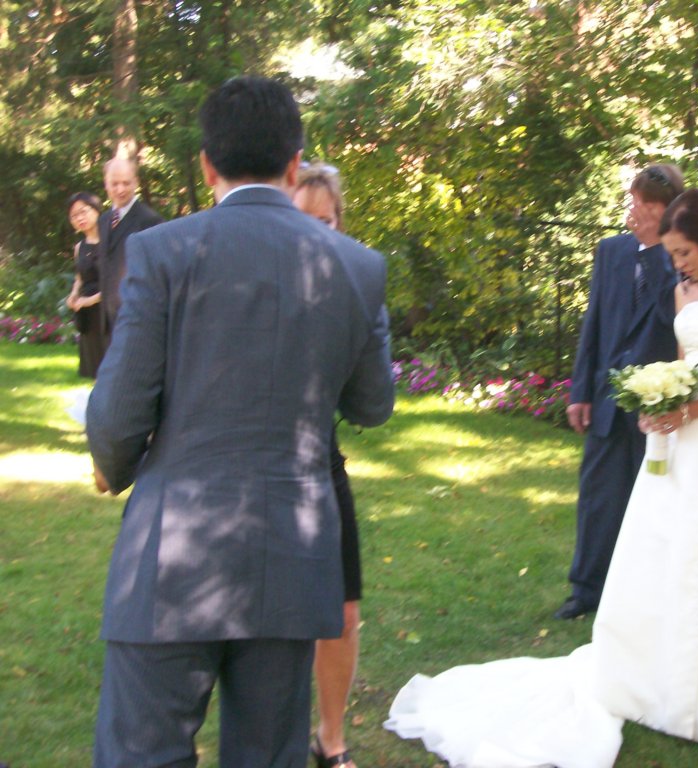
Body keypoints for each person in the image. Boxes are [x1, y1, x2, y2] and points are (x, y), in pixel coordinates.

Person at [385, 189, 698, 764]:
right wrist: (662, 402)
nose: (678, 264)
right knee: (667, 545)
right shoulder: (682, 291)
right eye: (672, 254)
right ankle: (657, 675)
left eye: (684, 252)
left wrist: (690, 410)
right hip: (682, 436)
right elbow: (684, 366)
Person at [87, 75, 394, 767]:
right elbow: (372, 405)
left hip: (170, 548)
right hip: (292, 550)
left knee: (142, 754)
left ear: (206, 164)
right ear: (295, 163)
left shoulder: (161, 251)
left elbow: (116, 413)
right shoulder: (357, 266)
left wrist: (118, 468)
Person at [556, 164, 684, 620]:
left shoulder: (682, 256)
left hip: (660, 403)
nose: (639, 211)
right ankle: (585, 591)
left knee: (652, 504)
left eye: (650, 204)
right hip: (607, 400)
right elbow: (594, 322)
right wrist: (580, 391)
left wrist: (658, 248)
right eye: (636, 200)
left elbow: (673, 315)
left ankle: (642, 597)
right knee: (598, 500)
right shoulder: (610, 251)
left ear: (670, 210)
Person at [294, 162, 361, 768]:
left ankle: (330, 739)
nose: (317, 231)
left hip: (322, 461)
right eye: (304, 219)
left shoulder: (353, 286)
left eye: (327, 220)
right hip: (264, 471)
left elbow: (368, 400)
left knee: (343, 612)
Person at [96, 155, 164, 345]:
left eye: (126, 183)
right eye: (114, 183)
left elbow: (158, 272)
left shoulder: (150, 220)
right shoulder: (103, 221)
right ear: (106, 184)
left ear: (136, 182)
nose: (120, 189)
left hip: (137, 320)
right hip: (109, 321)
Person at [63, 191, 105, 377]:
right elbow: (80, 276)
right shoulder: (79, 247)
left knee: (114, 367)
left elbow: (118, 281)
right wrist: (74, 294)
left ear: (96, 210)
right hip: (88, 315)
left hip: (109, 311)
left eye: (83, 211)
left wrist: (90, 300)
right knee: (95, 367)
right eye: (74, 215)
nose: (79, 218)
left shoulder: (111, 242)